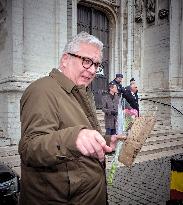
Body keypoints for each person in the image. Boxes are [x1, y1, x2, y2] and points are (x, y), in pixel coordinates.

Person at [18, 31, 126, 205]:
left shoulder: (81, 92)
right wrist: (74, 138)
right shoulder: (42, 90)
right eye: (86, 61)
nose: (92, 70)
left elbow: (78, 132)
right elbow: (29, 148)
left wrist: (105, 141)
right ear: (65, 60)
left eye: (96, 64)